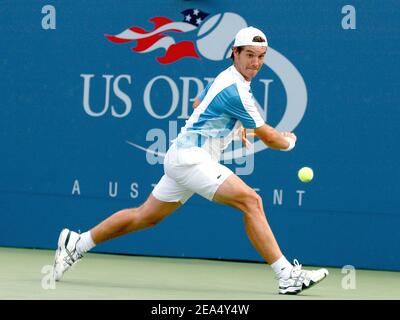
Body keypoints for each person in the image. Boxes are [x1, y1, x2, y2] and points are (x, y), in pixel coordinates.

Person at [53, 26, 328, 295]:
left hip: (183, 158)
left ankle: (77, 243)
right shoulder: (237, 90)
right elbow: (269, 137)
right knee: (251, 201)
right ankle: (286, 276)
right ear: (235, 53)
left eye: (260, 56)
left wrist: (238, 125)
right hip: (191, 158)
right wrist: (289, 141)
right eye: (249, 55)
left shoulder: (226, 79)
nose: (255, 62)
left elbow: (199, 103)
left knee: (145, 217)